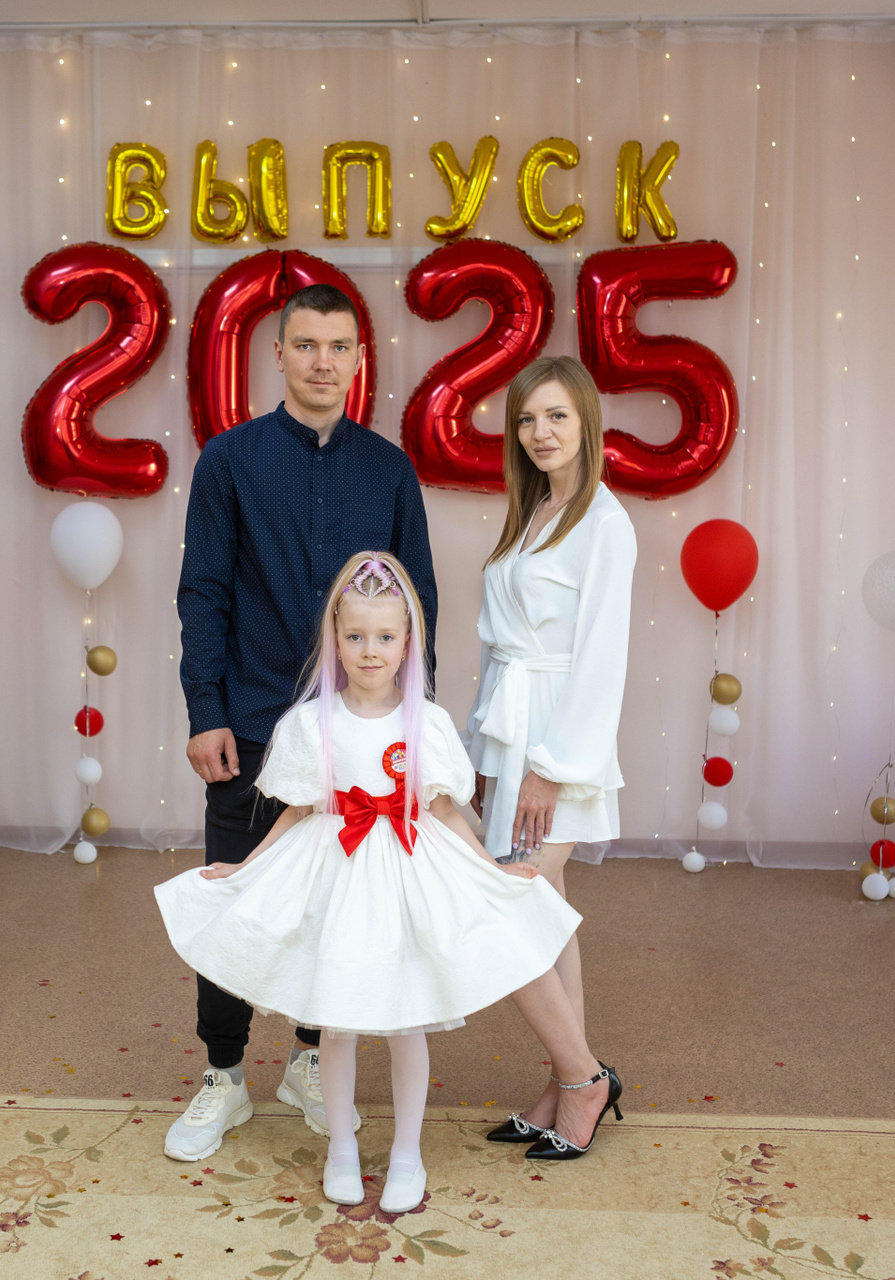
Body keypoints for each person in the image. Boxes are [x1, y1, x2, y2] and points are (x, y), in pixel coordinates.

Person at [157, 552, 596, 1210]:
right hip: (336, 877)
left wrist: (491, 869)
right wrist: (245, 870)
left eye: (386, 636)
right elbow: (296, 811)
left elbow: (443, 810)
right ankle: (341, 1148)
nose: (370, 651)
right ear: (334, 639)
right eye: (356, 636)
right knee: (338, 1025)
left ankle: (406, 1155)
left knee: (404, 1023)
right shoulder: (311, 723)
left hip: (406, 880)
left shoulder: (428, 722)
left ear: (408, 642)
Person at [169, 284, 438, 1162]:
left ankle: (313, 1062)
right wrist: (206, 710)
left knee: (340, 909)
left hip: (357, 733)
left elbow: (418, 604)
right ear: (279, 354)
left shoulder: (389, 470)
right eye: (308, 344)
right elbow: (203, 593)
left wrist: (411, 727)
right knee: (237, 899)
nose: (324, 361)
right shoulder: (229, 463)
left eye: (340, 346)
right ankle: (223, 1075)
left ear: (360, 359)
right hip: (251, 722)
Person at [465, 355, 638, 1157]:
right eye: (529, 419)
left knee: (509, 906)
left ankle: (583, 1078)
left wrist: (550, 766)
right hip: (513, 734)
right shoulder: (532, 512)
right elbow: (500, 650)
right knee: (547, 917)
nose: (541, 432)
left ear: (586, 422)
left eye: (557, 416)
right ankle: (567, 1081)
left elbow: (601, 659)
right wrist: (485, 753)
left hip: (561, 740)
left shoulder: (605, 522)